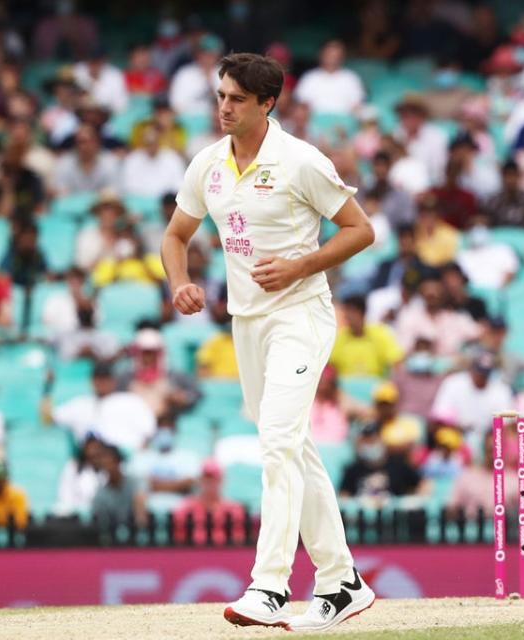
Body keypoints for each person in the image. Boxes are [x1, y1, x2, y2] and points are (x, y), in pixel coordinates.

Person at [161, 53, 376, 630]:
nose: (223, 106)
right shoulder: (207, 163)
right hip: (247, 323)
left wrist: (301, 266)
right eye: (220, 96)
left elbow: (361, 229)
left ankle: (270, 587)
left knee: (278, 444)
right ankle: (342, 581)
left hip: (301, 317)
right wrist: (180, 282)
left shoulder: (300, 161)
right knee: (294, 448)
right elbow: (176, 234)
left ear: (266, 103)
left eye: (236, 98)